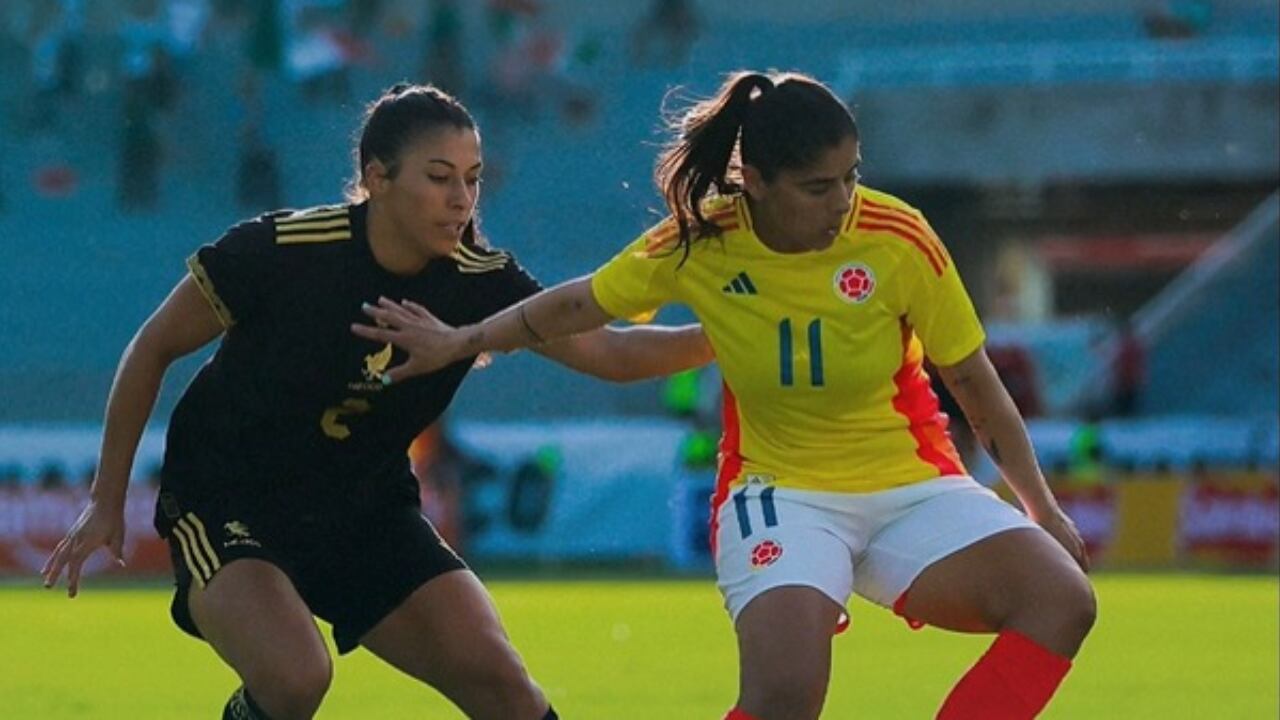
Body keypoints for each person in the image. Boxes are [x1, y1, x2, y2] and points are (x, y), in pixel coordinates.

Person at [356, 71, 1097, 720]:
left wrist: (1040, 505)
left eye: (851, 176)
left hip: (912, 486)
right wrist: (463, 340)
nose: (843, 202)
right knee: (786, 695)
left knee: (1063, 600)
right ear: (759, 183)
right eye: (819, 187)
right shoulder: (701, 240)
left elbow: (973, 381)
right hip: (779, 494)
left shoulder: (898, 236)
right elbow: (582, 305)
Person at [41, 83, 712, 720]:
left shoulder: (479, 281)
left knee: (503, 685)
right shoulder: (281, 250)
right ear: (377, 177)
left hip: (364, 512)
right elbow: (151, 347)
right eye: (440, 177)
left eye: (473, 179)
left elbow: (611, 355)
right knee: (296, 676)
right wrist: (106, 499)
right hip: (228, 498)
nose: (461, 199)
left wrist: (730, 337)